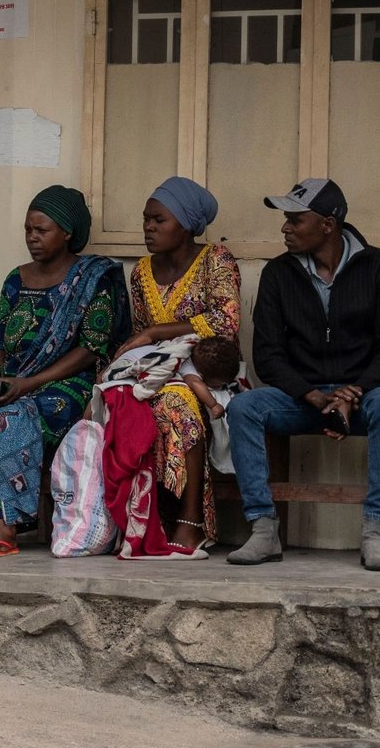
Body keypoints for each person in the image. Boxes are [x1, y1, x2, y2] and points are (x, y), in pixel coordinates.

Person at [0, 186, 130, 557]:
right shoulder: (15, 280)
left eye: (42, 230)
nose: (32, 238)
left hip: (67, 388)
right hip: (14, 383)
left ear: (67, 233)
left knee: (12, 420)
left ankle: (5, 526)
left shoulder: (92, 279)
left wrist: (27, 385)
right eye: (28, 230)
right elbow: (0, 344)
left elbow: (90, 350)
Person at [228, 178, 380, 571]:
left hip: (361, 398)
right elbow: (268, 355)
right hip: (301, 399)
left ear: (328, 225)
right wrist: (313, 396)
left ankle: (374, 533)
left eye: (295, 220)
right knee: (244, 407)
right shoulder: (278, 273)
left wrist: (352, 392)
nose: (285, 228)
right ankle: (263, 529)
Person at [112, 177, 241, 553]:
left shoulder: (216, 260)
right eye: (146, 219)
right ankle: (142, 519)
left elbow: (226, 323)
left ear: (184, 224)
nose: (148, 227)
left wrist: (158, 332)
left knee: (175, 403)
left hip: (210, 373)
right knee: (122, 399)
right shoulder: (141, 272)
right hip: (156, 369)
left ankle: (191, 522)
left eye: (158, 220)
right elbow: (138, 334)